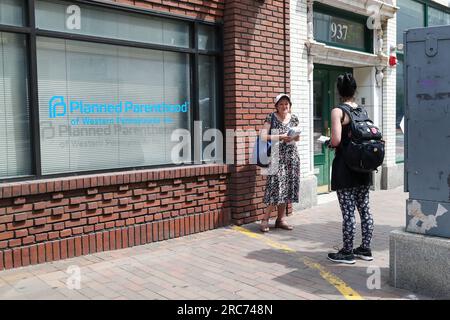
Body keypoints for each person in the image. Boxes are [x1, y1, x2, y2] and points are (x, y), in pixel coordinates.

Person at [327, 73, 374, 264]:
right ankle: (365, 248)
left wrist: (329, 143)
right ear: (355, 90)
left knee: (348, 212)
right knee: (365, 210)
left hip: (345, 168)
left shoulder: (338, 111)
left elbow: (336, 140)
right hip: (363, 168)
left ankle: (347, 252)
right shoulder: (361, 111)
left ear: (339, 91)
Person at [259, 93, 300, 232]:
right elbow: (263, 136)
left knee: (287, 187)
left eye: (286, 104)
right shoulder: (271, 117)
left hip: (291, 156)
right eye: (281, 104)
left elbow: (297, 139)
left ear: (290, 106)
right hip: (276, 156)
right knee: (275, 187)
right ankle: (265, 220)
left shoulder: (293, 118)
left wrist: (293, 137)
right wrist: (280, 137)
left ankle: (280, 219)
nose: (284, 106)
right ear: (276, 106)